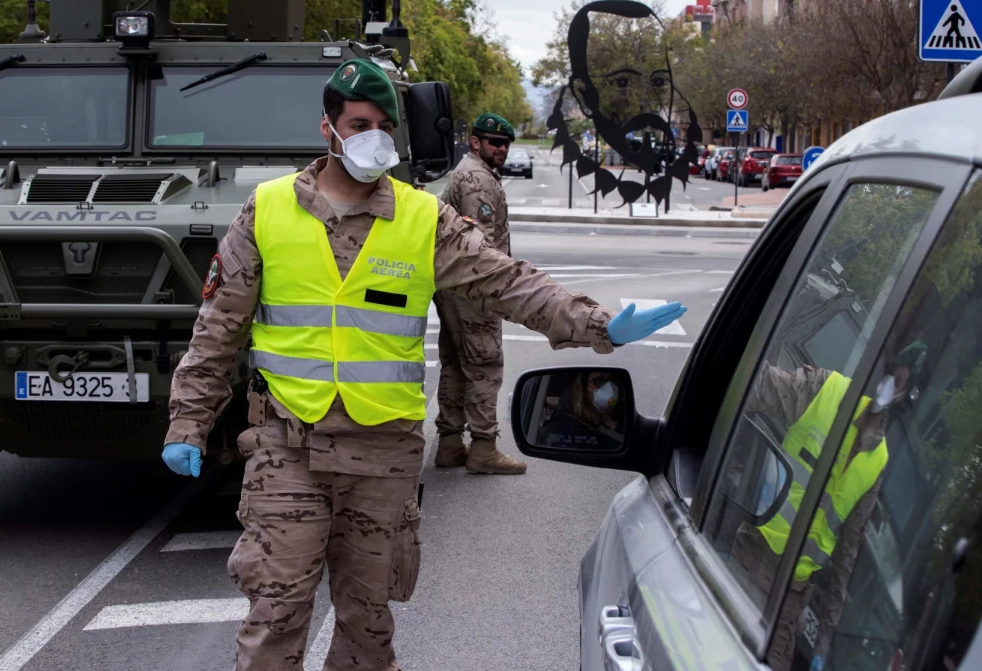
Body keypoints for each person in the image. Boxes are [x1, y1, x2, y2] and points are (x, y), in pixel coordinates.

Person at [162, 58, 686, 671]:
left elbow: (507, 281)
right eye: (360, 122)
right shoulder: (269, 209)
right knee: (273, 624)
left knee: (367, 630)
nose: (374, 136)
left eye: (385, 124)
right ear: (327, 128)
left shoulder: (422, 218)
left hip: (382, 455)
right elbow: (218, 327)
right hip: (288, 449)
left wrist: (598, 324)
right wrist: (187, 421)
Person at [731, 341, 925, 671]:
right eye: (891, 373)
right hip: (749, 558)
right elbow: (760, 387)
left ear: (902, 397)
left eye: (900, 382)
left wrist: (823, 642)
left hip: (789, 599)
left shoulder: (876, 463)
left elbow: (848, 553)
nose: (890, 383)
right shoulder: (827, 389)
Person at [432, 111, 525, 474]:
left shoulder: (470, 173)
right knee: (485, 365)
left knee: (455, 363)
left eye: (505, 144)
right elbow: (481, 246)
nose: (502, 149)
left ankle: (450, 443)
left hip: (453, 286)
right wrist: (499, 289)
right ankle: (483, 447)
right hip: (474, 288)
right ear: (476, 142)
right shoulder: (477, 180)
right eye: (495, 143)